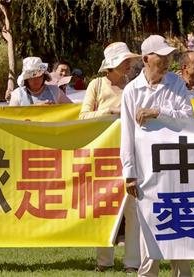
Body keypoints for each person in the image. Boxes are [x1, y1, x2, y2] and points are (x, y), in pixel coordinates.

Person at [120, 35, 193, 277]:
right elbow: (127, 134)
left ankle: (182, 273)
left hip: (176, 167)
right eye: (160, 57)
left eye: (169, 57)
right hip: (146, 171)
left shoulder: (176, 84)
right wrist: (129, 174)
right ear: (145, 59)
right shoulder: (131, 91)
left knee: (179, 225)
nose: (166, 62)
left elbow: (188, 118)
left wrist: (157, 112)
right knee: (147, 228)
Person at [78, 42, 142, 273]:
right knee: (104, 206)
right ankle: (103, 261)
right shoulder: (96, 85)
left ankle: (133, 263)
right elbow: (83, 115)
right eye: (125, 61)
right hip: (103, 155)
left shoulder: (134, 86)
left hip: (131, 153)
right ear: (112, 64)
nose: (129, 64)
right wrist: (108, 112)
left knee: (132, 208)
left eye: (129, 61)